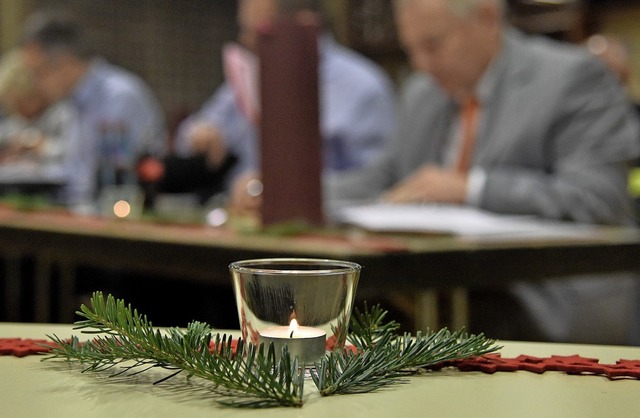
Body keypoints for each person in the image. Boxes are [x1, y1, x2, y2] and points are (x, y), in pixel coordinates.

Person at [328, 0, 640, 344]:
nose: (420, 64)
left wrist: (470, 188)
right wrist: (278, 193)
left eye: (432, 45)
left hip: (539, 293)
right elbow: (379, 179)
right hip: (436, 289)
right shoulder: (423, 93)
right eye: (411, 50)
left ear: (487, 17)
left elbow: (599, 195)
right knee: (347, 306)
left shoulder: (572, 76)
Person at [173, 0, 396, 213]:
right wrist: (199, 133)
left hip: (321, 236)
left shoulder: (362, 87)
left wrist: (280, 189)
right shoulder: (252, 77)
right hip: (243, 227)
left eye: (259, 30)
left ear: (304, 25)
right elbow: (186, 140)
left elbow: (378, 182)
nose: (245, 40)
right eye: (244, 29)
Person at [19, 10, 167, 211]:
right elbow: (74, 173)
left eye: (38, 73)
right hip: (81, 212)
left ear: (64, 64)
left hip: (116, 220)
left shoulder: (120, 96)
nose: (35, 84)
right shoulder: (71, 103)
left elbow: (117, 181)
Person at [0, 48, 76, 198]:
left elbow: (74, 155)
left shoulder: (65, 112)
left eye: (21, 104)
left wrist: (42, 146)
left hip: (58, 192)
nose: (18, 112)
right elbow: (7, 134)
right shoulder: (18, 120)